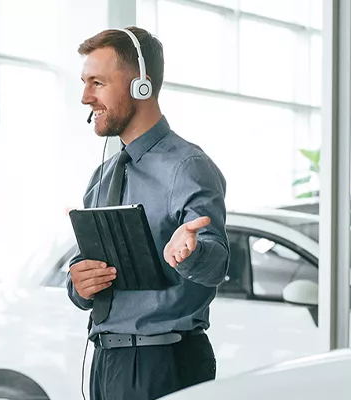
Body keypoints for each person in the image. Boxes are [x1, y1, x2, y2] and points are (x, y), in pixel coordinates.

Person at [66, 26, 229, 400]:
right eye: (84, 83)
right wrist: (79, 284)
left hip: (165, 361)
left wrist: (192, 253)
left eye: (97, 83)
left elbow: (216, 262)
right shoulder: (103, 175)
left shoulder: (187, 166)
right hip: (108, 361)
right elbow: (84, 265)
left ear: (142, 84)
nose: (85, 97)